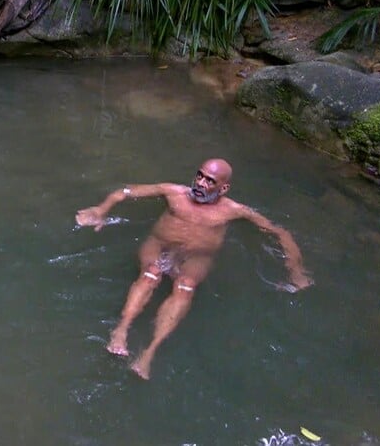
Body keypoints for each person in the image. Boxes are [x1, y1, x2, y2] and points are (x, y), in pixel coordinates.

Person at [75, 158, 312, 380]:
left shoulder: (234, 210)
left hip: (197, 257)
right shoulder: (174, 192)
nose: (200, 183)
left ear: (224, 188)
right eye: (200, 175)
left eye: (210, 181)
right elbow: (125, 192)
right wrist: (100, 210)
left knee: (185, 286)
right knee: (151, 273)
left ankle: (149, 353)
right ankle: (120, 331)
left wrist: (296, 269)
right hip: (160, 245)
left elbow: (279, 232)